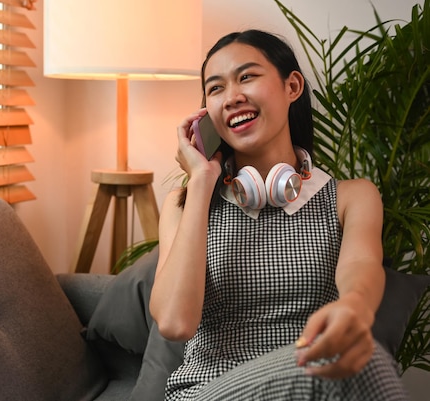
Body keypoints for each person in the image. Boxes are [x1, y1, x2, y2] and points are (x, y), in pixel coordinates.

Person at [149, 29, 409, 400]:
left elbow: (361, 268)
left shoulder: (352, 197)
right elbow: (175, 322)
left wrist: (355, 306)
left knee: (361, 359)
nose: (233, 96)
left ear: (292, 87)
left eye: (247, 77)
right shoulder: (185, 203)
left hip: (315, 383)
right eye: (216, 88)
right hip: (211, 391)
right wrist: (203, 180)